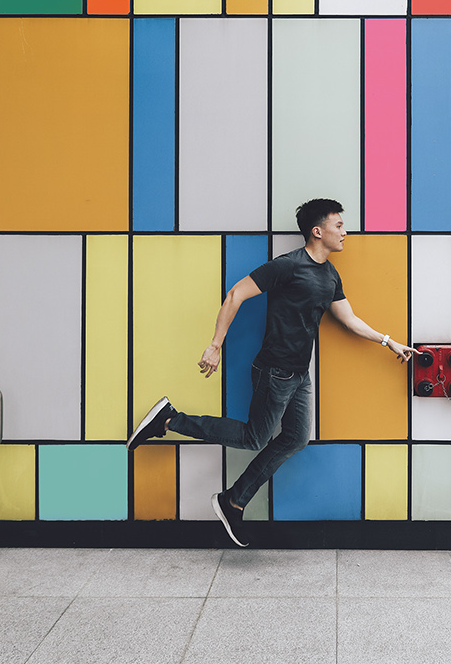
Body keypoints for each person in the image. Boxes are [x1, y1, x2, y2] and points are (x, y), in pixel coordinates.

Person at [127, 198, 415, 547]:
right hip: (274, 371)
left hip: (298, 374)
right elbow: (236, 294)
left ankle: (232, 500)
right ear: (317, 231)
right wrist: (215, 345)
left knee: (295, 438)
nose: (344, 232)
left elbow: (349, 319)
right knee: (254, 438)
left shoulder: (329, 275)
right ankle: (171, 420)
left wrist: (389, 341)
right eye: (338, 225)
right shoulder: (288, 266)